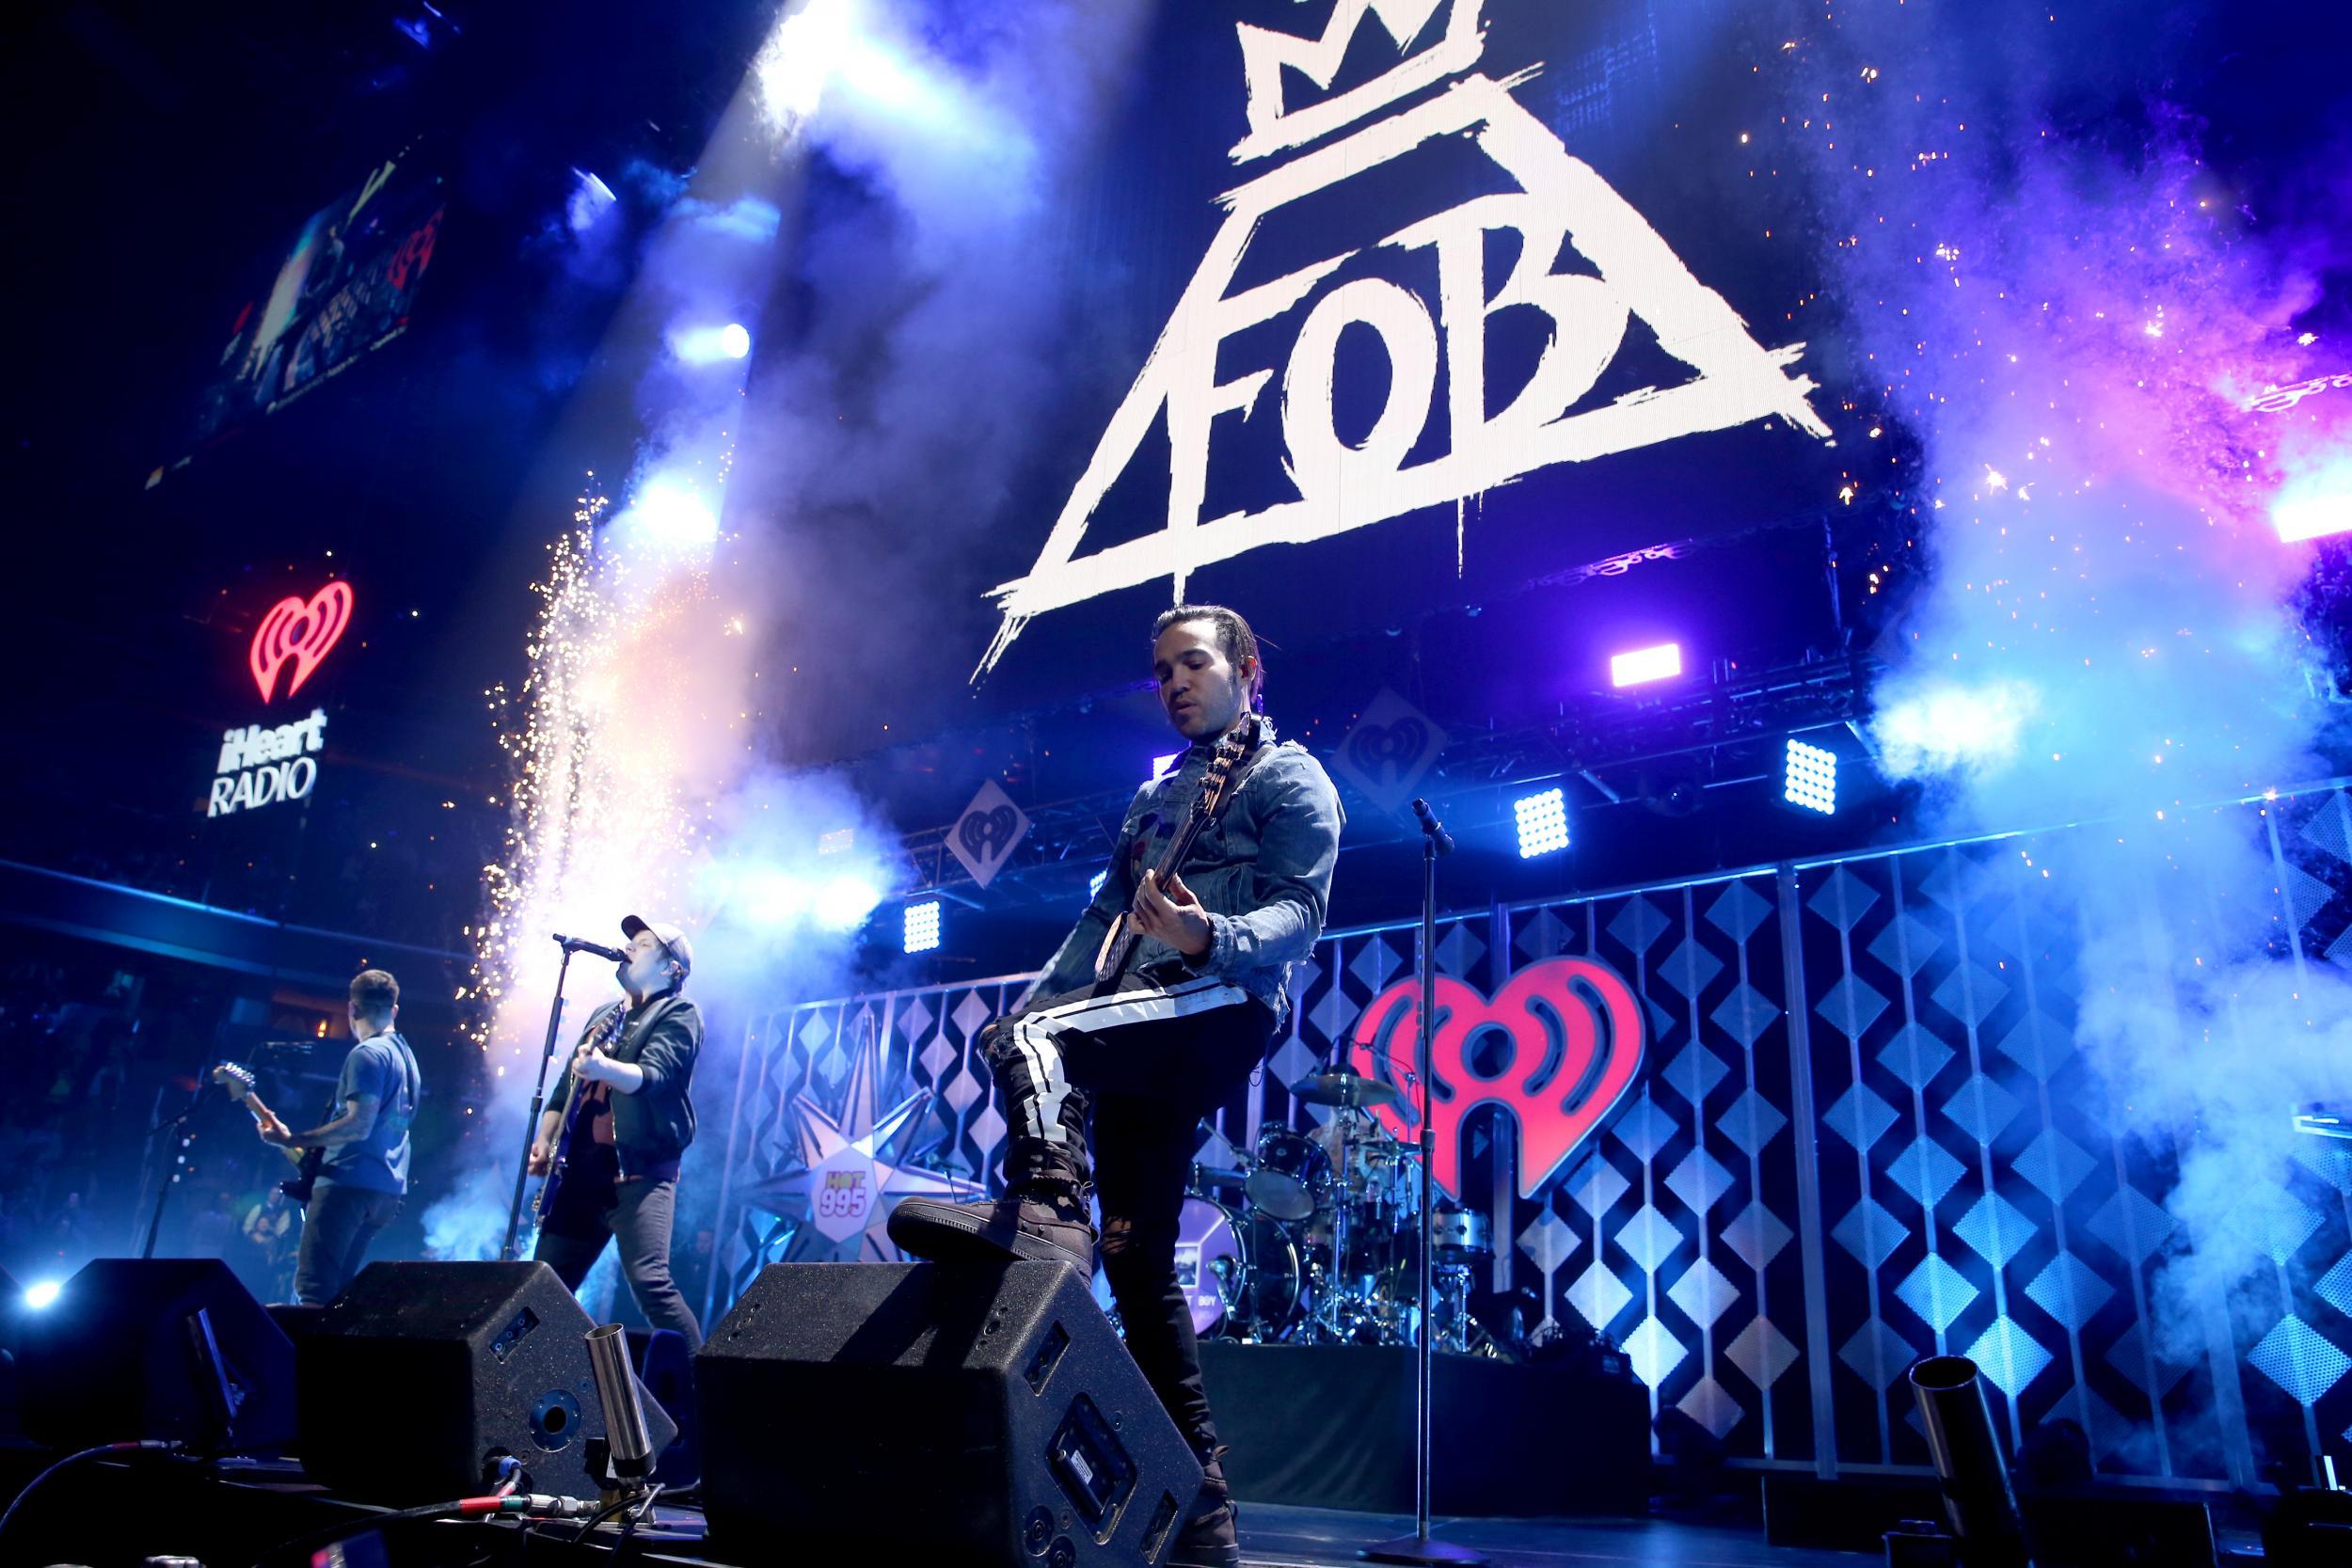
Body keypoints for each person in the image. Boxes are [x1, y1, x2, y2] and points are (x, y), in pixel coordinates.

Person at [890, 605, 1343, 1568]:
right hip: (1142, 1013)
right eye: (1160, 670)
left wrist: (1205, 935)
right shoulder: (1157, 796)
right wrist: (1041, 1007)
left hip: (1222, 1000)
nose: (1173, 682)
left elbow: (1303, 911)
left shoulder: (1288, 773)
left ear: (1246, 668)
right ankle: (1204, 1506)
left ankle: (1052, 1213)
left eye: (1192, 663)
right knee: (1139, 1266)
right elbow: (1099, 919)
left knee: (1036, 1047)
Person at [528, 916, 704, 1349]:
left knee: (650, 1284)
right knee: (541, 1290)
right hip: (578, 1176)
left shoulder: (679, 1013)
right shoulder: (603, 1015)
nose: (628, 948)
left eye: (642, 944)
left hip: (637, 1176)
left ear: (670, 969)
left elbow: (654, 1075)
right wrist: (545, 1140)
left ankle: (705, 1385)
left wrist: (603, 1067)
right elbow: (561, 1092)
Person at [262, 969, 420, 1306]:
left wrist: (293, 1140)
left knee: (315, 1292)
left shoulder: (367, 1054)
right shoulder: (407, 1059)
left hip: (347, 1185)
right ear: (394, 1010)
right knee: (340, 1297)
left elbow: (358, 1126)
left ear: (352, 1009)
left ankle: (307, 1359)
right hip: (386, 1189)